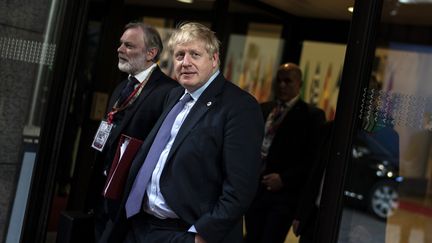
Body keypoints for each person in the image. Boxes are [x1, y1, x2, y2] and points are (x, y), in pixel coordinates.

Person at [99, 22, 264, 243]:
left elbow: (240, 190)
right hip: (141, 226)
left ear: (214, 59)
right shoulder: (174, 95)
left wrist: (201, 235)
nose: (185, 63)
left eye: (195, 54)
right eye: (179, 56)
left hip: (185, 232)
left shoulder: (239, 106)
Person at [88, 22, 178, 240]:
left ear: (151, 53)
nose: (120, 49)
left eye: (129, 46)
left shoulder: (168, 91)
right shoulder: (122, 87)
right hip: (103, 193)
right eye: (121, 44)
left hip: (129, 202)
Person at [244, 63, 326, 243]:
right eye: (279, 80)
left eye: (288, 81)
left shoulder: (311, 116)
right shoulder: (264, 109)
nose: (282, 85)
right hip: (255, 191)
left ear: (299, 84)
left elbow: (311, 161)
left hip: (283, 197)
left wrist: (284, 179)